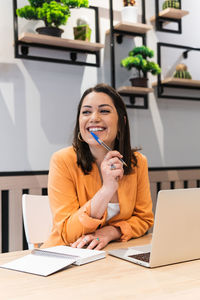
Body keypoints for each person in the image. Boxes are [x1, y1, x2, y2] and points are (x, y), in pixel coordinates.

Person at [42, 83, 154, 250]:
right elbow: (67, 233)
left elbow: (144, 220)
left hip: (115, 256)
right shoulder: (62, 160)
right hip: (68, 257)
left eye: (104, 111)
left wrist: (110, 232)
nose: (94, 117)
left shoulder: (137, 162)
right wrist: (107, 189)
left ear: (121, 121)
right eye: (86, 112)